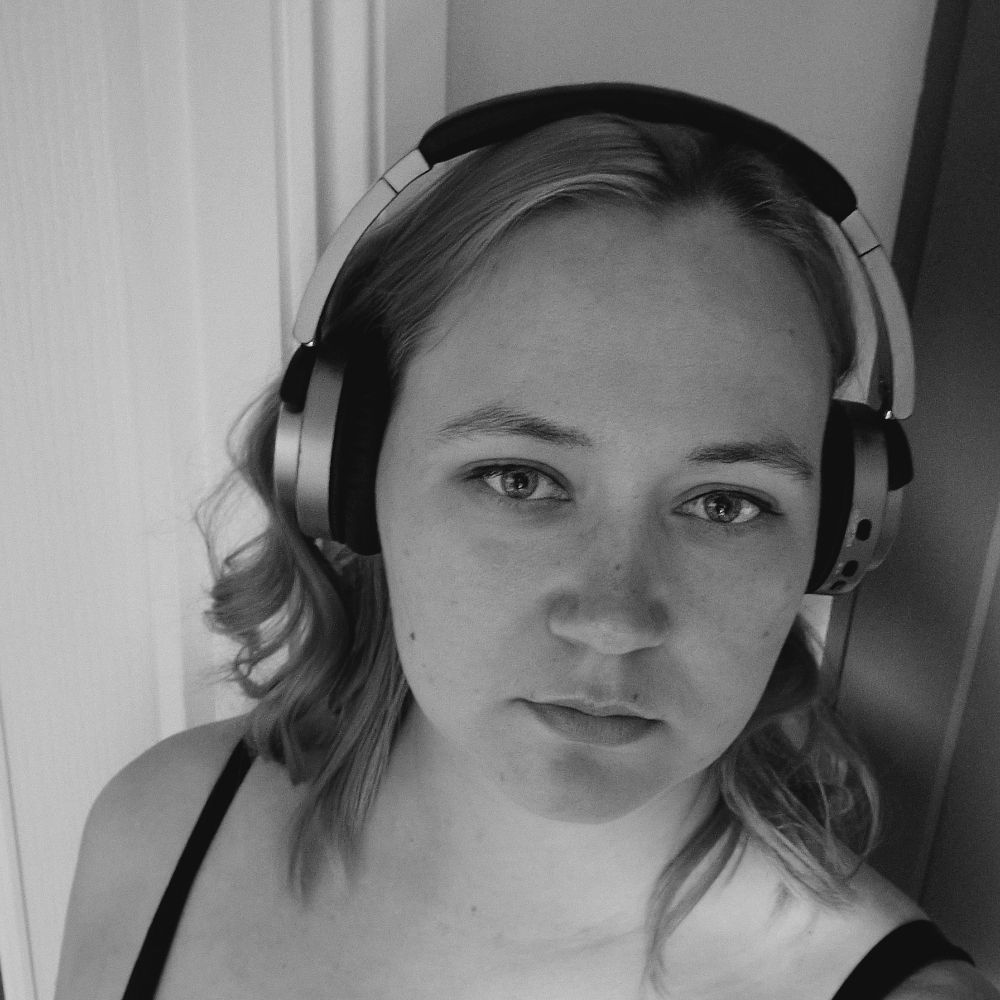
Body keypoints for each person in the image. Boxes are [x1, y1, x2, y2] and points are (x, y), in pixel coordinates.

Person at [55, 86, 997, 1000]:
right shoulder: (156, 831)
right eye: (520, 480)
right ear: (348, 476)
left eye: (724, 504)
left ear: (834, 534)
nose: (613, 621)